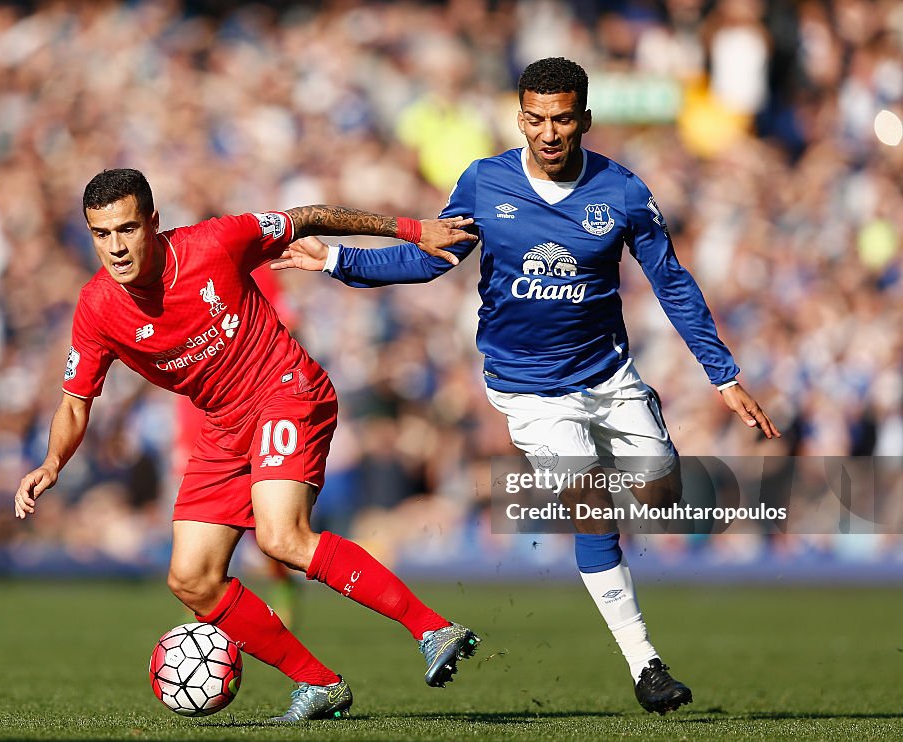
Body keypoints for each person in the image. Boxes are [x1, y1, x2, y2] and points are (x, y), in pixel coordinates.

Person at [273, 57, 781, 716]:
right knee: (591, 505)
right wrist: (338, 258)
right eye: (537, 118)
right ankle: (646, 665)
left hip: (610, 376)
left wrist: (724, 375)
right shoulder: (485, 184)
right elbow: (430, 259)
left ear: (585, 120)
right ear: (521, 118)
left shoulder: (623, 193)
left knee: (658, 491)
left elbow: (672, 280)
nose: (549, 131)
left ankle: (646, 460)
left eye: (563, 118)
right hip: (529, 390)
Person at [14, 168, 481, 723]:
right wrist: (52, 462)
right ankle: (320, 683)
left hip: (285, 389)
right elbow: (74, 402)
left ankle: (433, 629)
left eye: (127, 229)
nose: (115, 247)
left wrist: (411, 229)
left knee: (281, 537)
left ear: (154, 223)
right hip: (222, 427)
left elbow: (307, 217)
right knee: (191, 578)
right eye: (101, 234)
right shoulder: (97, 308)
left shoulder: (213, 242)